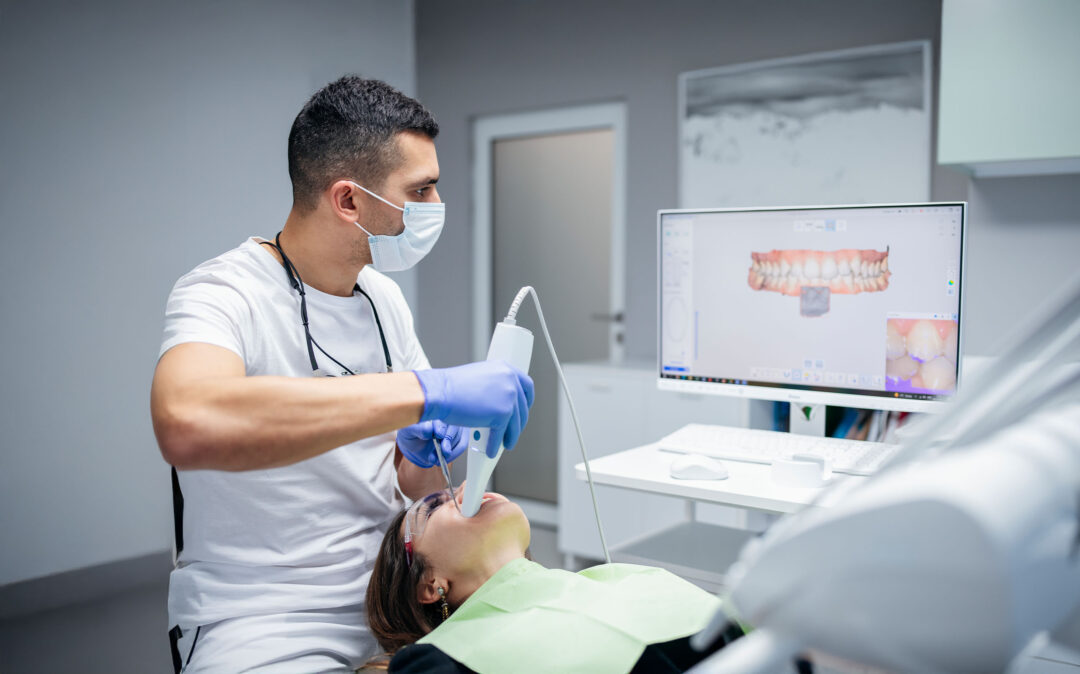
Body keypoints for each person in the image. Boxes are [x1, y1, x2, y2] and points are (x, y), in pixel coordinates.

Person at [150, 77, 533, 672]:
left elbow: (416, 486)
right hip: (261, 618)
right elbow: (187, 421)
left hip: (396, 601)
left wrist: (427, 447)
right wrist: (427, 391)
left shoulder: (384, 299)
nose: (437, 205)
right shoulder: (223, 292)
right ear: (349, 201)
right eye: (421, 190)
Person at [366, 487, 742, 674]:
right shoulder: (437, 660)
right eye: (434, 507)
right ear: (430, 584)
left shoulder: (626, 577)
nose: (465, 488)